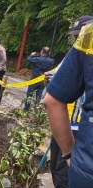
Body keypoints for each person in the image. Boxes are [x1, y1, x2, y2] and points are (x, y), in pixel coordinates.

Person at [43, 18, 93, 187]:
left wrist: (71, 155)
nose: (76, 39)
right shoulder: (75, 53)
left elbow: (52, 100)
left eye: (77, 35)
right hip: (66, 122)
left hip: (79, 129)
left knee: (63, 172)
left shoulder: (87, 42)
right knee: (57, 169)